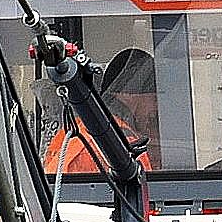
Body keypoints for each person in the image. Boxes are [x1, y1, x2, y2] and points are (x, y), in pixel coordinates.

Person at [46, 46, 159, 176]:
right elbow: (144, 191)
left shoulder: (72, 130)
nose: (156, 108)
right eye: (154, 98)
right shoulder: (126, 145)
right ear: (130, 95)